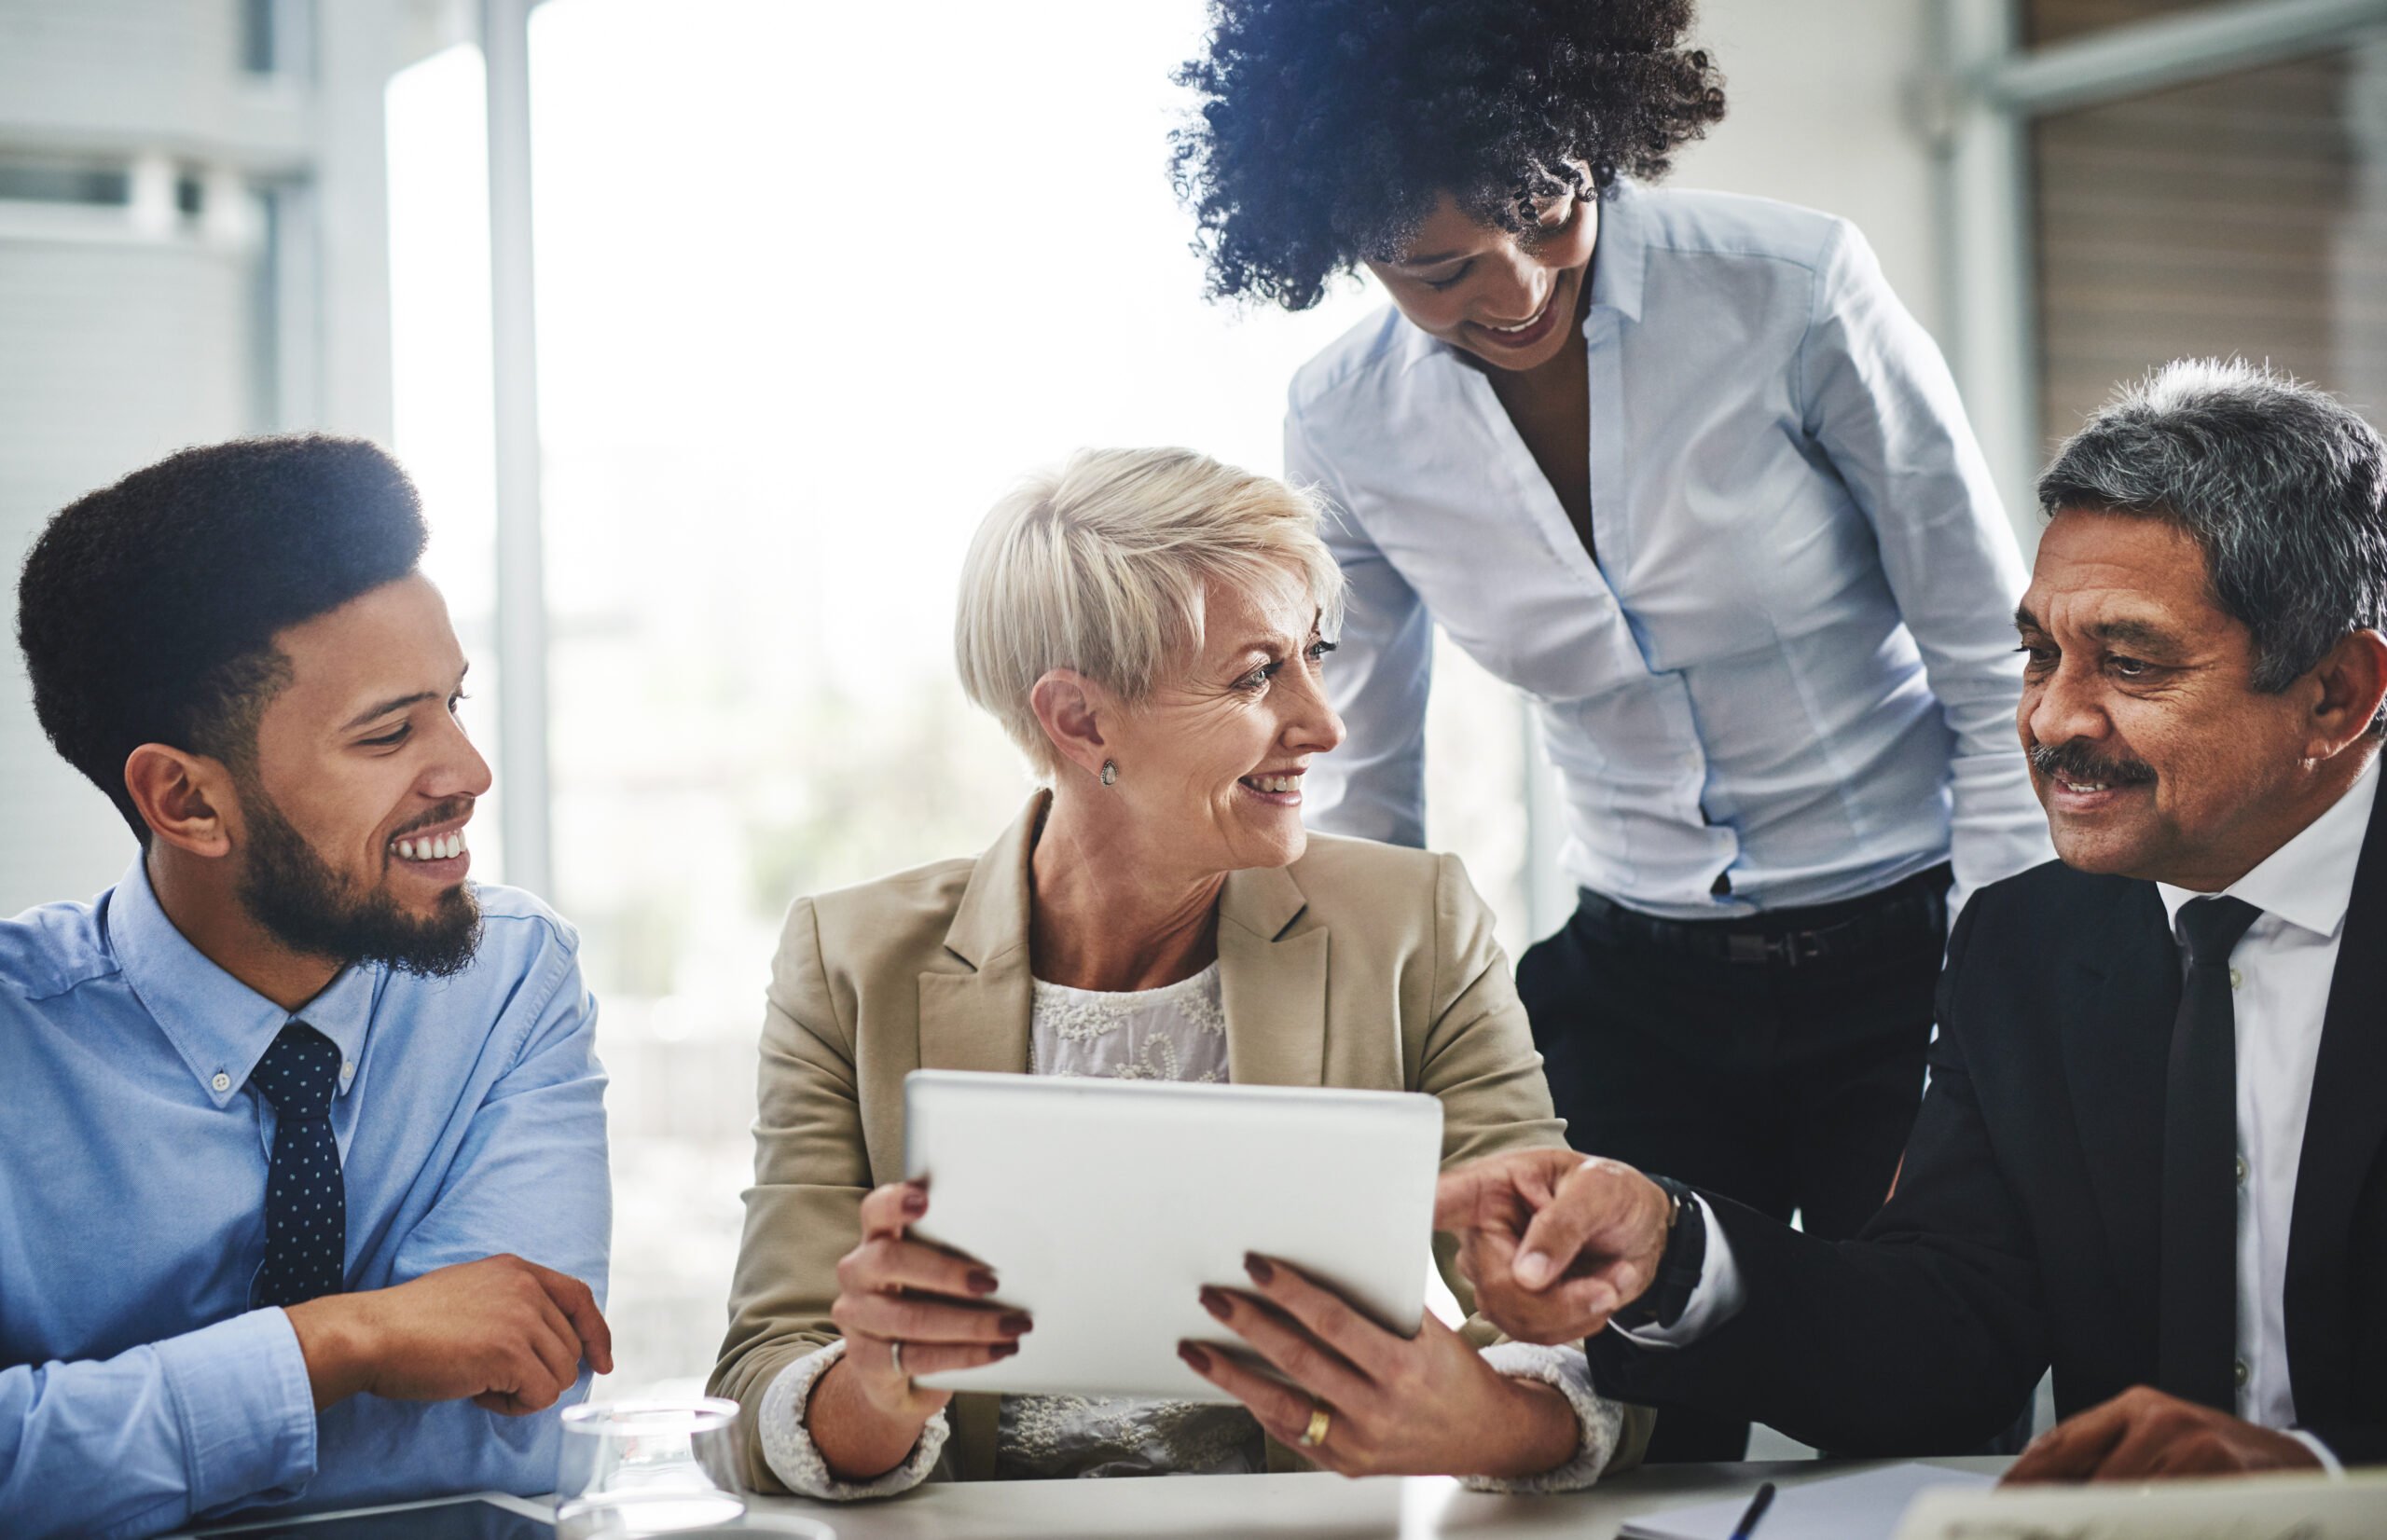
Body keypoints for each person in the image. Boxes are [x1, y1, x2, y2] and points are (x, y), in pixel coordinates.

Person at [1171, 0, 2050, 1461]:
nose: (1512, 288)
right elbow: (1366, 783)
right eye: (1437, 269)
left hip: (1905, 943)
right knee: (1633, 1415)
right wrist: (1343, 1086)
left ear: (1598, 134)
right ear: (1340, 239)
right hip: (1641, 983)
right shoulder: (1345, 423)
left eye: (1547, 210)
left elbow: (1990, 668)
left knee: (1926, 1401)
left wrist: (1985, 1021)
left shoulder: (1794, 288)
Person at [1431, 361, 2387, 1476]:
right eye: (2038, 653)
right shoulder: (2022, 940)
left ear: (2336, 694)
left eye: (2129, 663)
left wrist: (2319, 1476)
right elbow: (1941, 1338)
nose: (2052, 718)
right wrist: (1673, 1250)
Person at [709, 447, 1647, 1497]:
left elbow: (1567, 1336)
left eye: (1315, 653)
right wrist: (876, 1387)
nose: (1323, 724)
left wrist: (1483, 1418)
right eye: (1256, 675)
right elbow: (757, 1383)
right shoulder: (847, 962)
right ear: (1078, 719)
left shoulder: (1415, 925)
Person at [0, 436, 614, 1539]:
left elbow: (499, 1410)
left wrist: (90, 1435)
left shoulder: (511, 979)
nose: (468, 772)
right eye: (390, 732)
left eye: (454, 703)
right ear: (186, 800)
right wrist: (344, 1343)